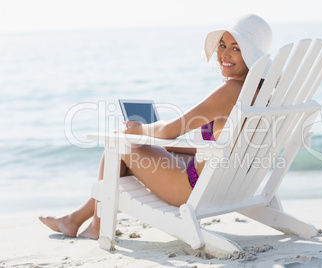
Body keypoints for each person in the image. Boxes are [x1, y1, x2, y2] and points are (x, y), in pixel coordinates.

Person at [39, 14, 273, 239]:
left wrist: (142, 131)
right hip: (228, 186)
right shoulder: (264, 94)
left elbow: (171, 129)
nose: (224, 54)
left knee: (119, 144)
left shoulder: (231, 91)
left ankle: (94, 225)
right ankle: (75, 220)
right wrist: (173, 147)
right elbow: (228, 148)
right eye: (222, 45)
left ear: (252, 57)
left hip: (193, 188)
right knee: (135, 150)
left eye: (236, 48)